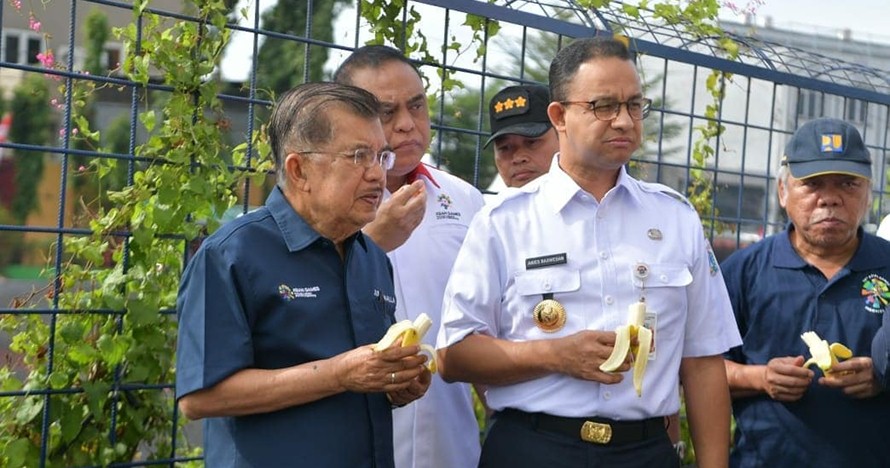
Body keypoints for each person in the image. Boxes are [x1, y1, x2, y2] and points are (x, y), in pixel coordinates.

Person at [437, 36, 741, 468]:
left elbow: (703, 360)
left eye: (635, 105)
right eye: (604, 106)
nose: (623, 120)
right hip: (535, 448)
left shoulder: (675, 218)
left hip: (645, 452)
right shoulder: (505, 221)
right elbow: (453, 356)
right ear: (559, 116)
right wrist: (555, 355)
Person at [174, 82, 431, 468]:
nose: (378, 176)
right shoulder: (231, 256)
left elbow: (365, 374)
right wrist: (339, 374)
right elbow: (201, 398)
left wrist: (398, 382)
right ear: (299, 170)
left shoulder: (371, 258)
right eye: (359, 156)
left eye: (382, 157)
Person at [334, 45, 485, 468]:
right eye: (386, 112)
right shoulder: (323, 207)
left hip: (449, 445)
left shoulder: (465, 201)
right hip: (350, 443)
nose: (406, 125)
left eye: (416, 105)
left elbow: (487, 326)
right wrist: (372, 240)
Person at [721, 117, 890, 467]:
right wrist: (761, 377)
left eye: (848, 183)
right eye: (812, 184)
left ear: (869, 194)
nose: (830, 198)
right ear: (783, 192)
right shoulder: (745, 271)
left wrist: (883, 376)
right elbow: (697, 369)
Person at [485, 84, 559, 188]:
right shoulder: (493, 204)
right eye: (505, 148)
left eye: (531, 142)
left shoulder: (588, 197)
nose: (518, 158)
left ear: (563, 137)